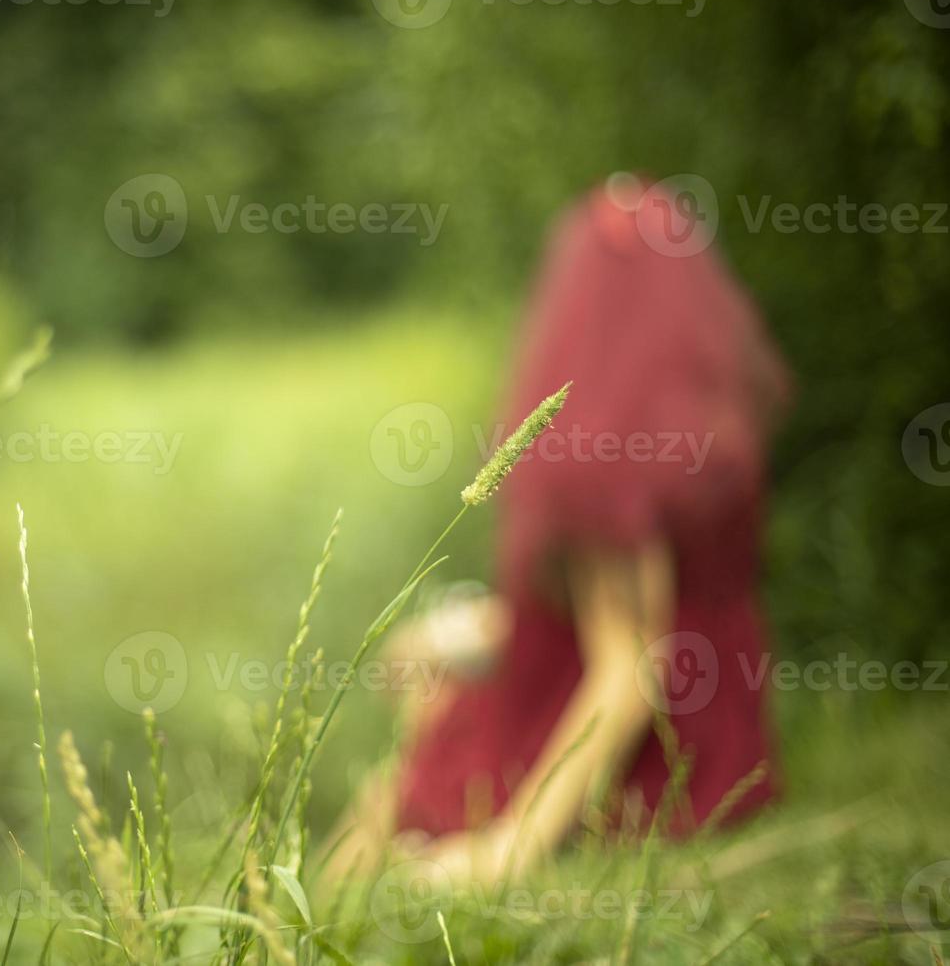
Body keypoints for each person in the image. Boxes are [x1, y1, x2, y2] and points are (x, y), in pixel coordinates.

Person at [327, 173, 792, 885]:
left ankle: (313, 905)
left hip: (645, 754)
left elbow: (633, 663)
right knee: (431, 669)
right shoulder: (701, 444)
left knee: (425, 757)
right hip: (720, 733)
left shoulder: (607, 457)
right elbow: (653, 609)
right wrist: (471, 628)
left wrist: (516, 843)